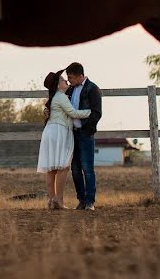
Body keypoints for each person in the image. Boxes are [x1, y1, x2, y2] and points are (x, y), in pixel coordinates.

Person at [37, 70, 91, 210]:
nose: (66, 81)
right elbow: (73, 113)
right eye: (62, 80)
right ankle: (59, 200)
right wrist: (90, 112)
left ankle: (52, 201)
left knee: (52, 168)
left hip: (51, 131)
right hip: (59, 131)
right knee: (63, 166)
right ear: (57, 85)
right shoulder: (60, 97)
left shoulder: (56, 97)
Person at [64, 62, 102, 210]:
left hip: (85, 134)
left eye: (71, 77)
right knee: (75, 168)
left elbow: (96, 113)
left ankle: (90, 201)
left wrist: (87, 130)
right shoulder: (71, 89)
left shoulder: (93, 89)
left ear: (80, 76)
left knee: (87, 168)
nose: (69, 80)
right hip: (72, 134)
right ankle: (81, 199)